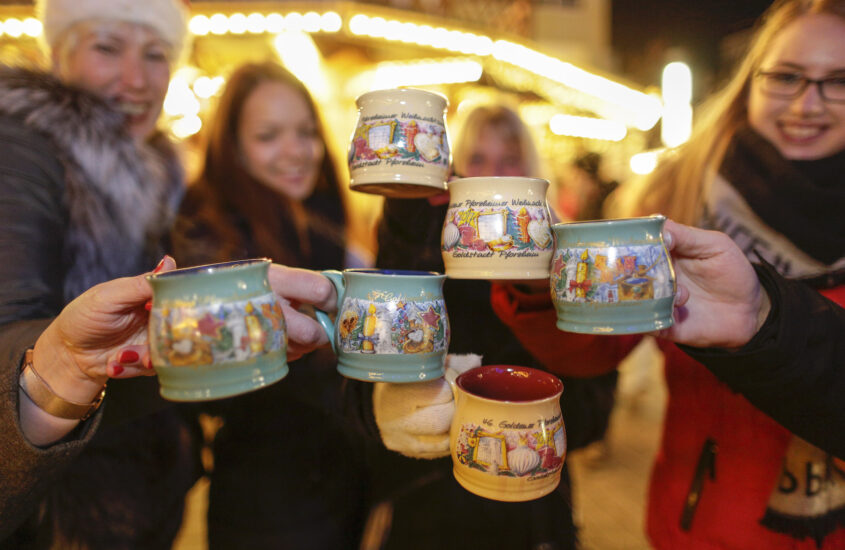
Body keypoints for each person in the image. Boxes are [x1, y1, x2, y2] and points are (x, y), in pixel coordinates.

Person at [486, 1, 845, 547]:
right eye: (785, 76)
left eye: (838, 81)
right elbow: (593, 349)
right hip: (698, 525)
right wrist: (542, 285)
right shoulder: (677, 193)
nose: (806, 103)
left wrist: (761, 317)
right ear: (750, 82)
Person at [352, 103, 617, 549]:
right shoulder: (419, 243)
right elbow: (369, 361)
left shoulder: (564, 254)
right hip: (425, 502)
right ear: (453, 173)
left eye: (509, 159)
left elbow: (594, 408)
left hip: (530, 508)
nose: (494, 173)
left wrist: (526, 421)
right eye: (477, 159)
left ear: (531, 172)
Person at [0, 0, 196, 546]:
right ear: (58, 54)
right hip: (56, 494)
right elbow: (8, 320)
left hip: (134, 468)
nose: (135, 79)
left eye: (156, 55)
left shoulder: (152, 166)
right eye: (107, 48)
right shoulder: (17, 146)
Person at [170, 62, 369, 549]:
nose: (296, 151)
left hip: (338, 482)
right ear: (232, 145)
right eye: (268, 135)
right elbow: (216, 381)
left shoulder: (318, 215)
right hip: (268, 501)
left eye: (306, 132)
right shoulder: (207, 228)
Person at [658, 220, 845, 460]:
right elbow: (605, 352)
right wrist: (761, 316)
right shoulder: (685, 193)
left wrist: (761, 318)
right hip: (702, 470)